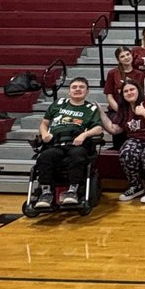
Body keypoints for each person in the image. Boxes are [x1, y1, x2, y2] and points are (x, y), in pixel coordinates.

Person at [34, 77, 103, 208]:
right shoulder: (58, 104)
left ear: (87, 91)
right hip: (56, 143)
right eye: (74, 87)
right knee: (45, 156)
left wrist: (84, 135)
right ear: (69, 91)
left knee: (77, 155)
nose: (78, 89)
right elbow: (44, 123)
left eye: (81, 87)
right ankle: (46, 192)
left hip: (76, 143)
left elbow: (98, 128)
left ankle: (73, 191)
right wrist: (44, 134)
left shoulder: (90, 109)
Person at [105, 46, 144, 111]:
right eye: (122, 56)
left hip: (135, 111)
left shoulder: (140, 74)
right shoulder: (112, 73)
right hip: (117, 110)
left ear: (131, 55)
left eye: (128, 54)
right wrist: (119, 111)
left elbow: (142, 95)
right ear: (118, 60)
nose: (126, 58)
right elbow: (109, 95)